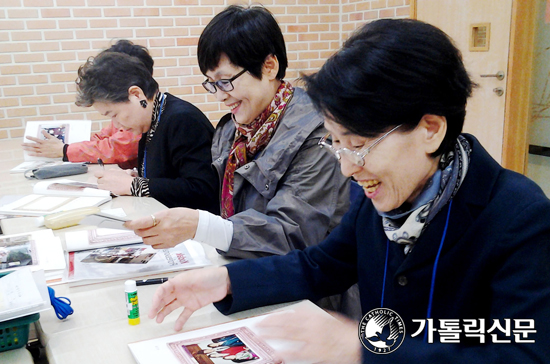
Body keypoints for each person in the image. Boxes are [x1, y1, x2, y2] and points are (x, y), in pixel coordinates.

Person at [145, 19, 550, 363]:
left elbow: (524, 354)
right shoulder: (376, 197)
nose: (346, 167)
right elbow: (321, 265)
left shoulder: (517, 218)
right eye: (335, 143)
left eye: (358, 145)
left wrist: (362, 349)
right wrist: (226, 281)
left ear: (431, 129)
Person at [125, 5, 349, 259]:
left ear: (269, 67)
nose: (220, 96)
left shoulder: (319, 133)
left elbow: (292, 234)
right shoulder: (232, 130)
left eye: (225, 81)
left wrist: (202, 226)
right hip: (244, 268)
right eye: (212, 84)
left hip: (309, 291)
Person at [75, 41, 218, 212]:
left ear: (136, 94)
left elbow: (202, 190)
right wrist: (137, 178)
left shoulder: (182, 120)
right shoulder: (151, 119)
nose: (116, 125)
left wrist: (134, 185)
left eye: (114, 114)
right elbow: (170, 177)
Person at [21, 40, 145, 169]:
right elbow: (102, 137)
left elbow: (116, 148)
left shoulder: (141, 120)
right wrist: (67, 146)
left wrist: (65, 150)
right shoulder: (126, 114)